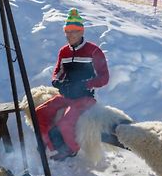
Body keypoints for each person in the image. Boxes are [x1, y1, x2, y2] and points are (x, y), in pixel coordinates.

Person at [36, 8, 109, 161]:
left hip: (84, 98)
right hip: (67, 95)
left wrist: (85, 84)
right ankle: (45, 142)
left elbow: (104, 78)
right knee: (39, 112)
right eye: (67, 31)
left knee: (65, 122)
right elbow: (57, 72)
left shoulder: (94, 51)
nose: (70, 35)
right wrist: (57, 82)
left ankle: (71, 149)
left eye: (74, 31)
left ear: (81, 32)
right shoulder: (64, 52)